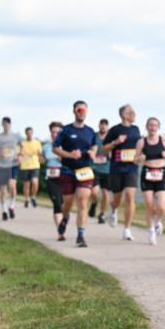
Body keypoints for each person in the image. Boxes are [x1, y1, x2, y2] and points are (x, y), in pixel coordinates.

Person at [53, 101, 98, 247]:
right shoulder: (66, 130)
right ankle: (65, 218)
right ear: (74, 111)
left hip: (85, 170)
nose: (81, 112)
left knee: (83, 201)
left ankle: (80, 235)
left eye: (84, 110)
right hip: (68, 171)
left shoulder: (90, 131)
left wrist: (93, 153)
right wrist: (69, 155)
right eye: (79, 110)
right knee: (68, 203)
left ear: (87, 112)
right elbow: (55, 148)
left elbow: (94, 145)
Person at [103, 104, 141, 241]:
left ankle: (127, 229)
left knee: (130, 196)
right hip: (117, 168)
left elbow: (139, 146)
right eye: (131, 112)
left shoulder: (136, 129)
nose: (134, 114)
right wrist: (116, 142)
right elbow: (104, 148)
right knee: (117, 199)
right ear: (124, 115)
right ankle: (113, 210)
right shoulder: (114, 130)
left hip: (132, 167)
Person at [135, 117, 165, 245]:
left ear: (158, 127)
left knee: (162, 206)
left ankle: (157, 221)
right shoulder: (142, 142)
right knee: (150, 206)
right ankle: (151, 231)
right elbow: (135, 159)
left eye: (155, 125)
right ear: (147, 127)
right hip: (147, 174)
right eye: (150, 125)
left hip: (161, 173)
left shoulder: (163, 140)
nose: (153, 127)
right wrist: (140, 158)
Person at [0, 117, 22, 221]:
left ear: (10, 124)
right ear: (2, 124)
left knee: (12, 186)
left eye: (8, 123)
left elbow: (22, 146)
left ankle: (11, 206)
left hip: (13, 164)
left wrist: (20, 155)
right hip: (1, 165)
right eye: (4, 123)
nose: (6, 125)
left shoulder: (16, 136)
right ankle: (4, 211)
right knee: (3, 190)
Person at [42, 122, 66, 241]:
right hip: (51, 178)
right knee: (57, 204)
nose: (55, 134)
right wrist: (41, 159)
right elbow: (42, 160)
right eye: (53, 132)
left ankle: (63, 223)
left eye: (58, 132)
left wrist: (61, 156)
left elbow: (69, 160)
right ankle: (60, 232)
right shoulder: (46, 147)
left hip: (64, 177)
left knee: (63, 204)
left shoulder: (65, 146)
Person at [90, 118, 112, 223]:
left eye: (105, 125)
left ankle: (102, 214)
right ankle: (94, 203)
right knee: (94, 192)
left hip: (107, 170)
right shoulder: (93, 136)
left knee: (106, 194)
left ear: (108, 127)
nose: (103, 126)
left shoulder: (111, 138)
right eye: (101, 124)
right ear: (99, 126)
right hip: (95, 168)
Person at [19, 127, 43, 207]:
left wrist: (41, 157)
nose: (29, 134)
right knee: (26, 184)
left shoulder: (37, 142)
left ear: (32, 133)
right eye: (28, 133)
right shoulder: (22, 143)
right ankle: (26, 199)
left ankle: (33, 197)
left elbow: (40, 153)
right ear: (26, 134)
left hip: (35, 165)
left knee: (35, 182)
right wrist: (20, 157)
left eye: (30, 133)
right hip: (25, 166)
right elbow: (20, 154)